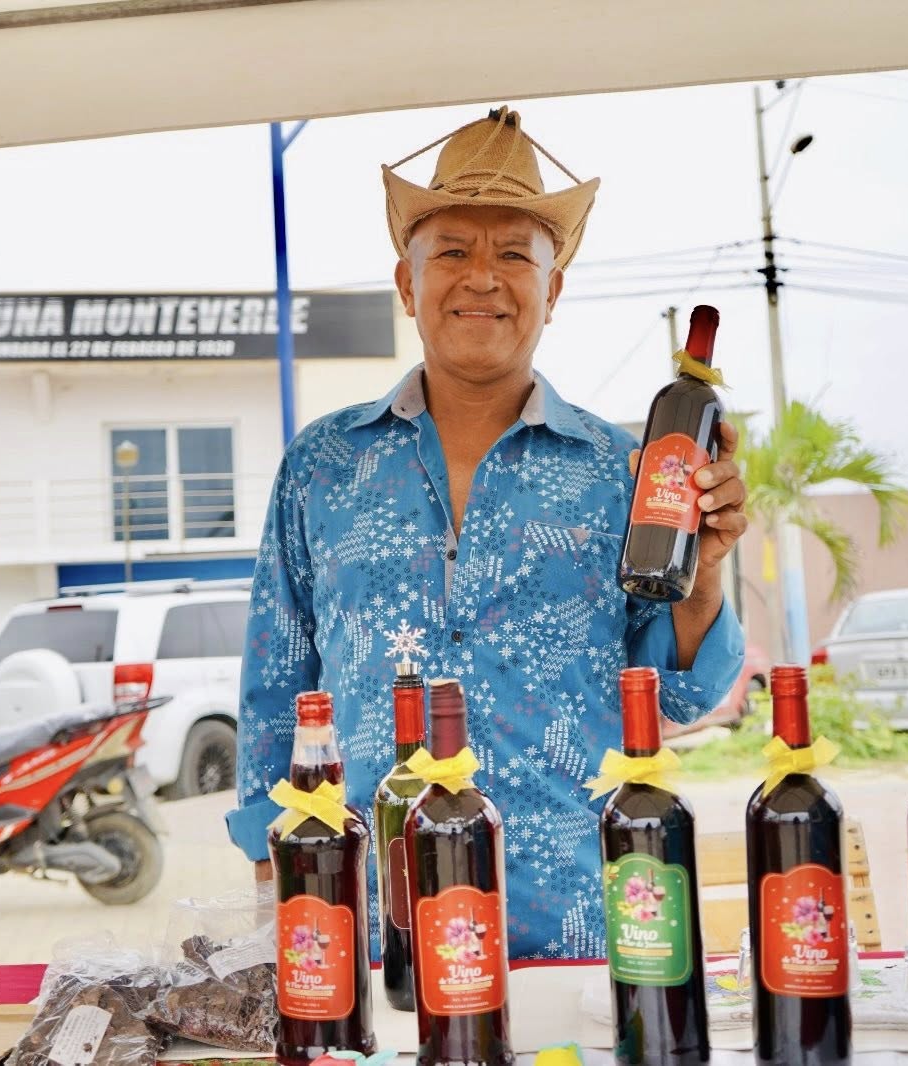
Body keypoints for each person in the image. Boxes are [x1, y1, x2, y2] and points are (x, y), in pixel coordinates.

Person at [227, 108, 748, 959]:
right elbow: (273, 687)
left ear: (553, 289)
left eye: (513, 254)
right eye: (451, 253)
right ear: (407, 284)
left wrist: (709, 568)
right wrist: (271, 877)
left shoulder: (622, 470)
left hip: (574, 917)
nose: (481, 278)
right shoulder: (322, 463)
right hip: (374, 921)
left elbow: (680, 697)